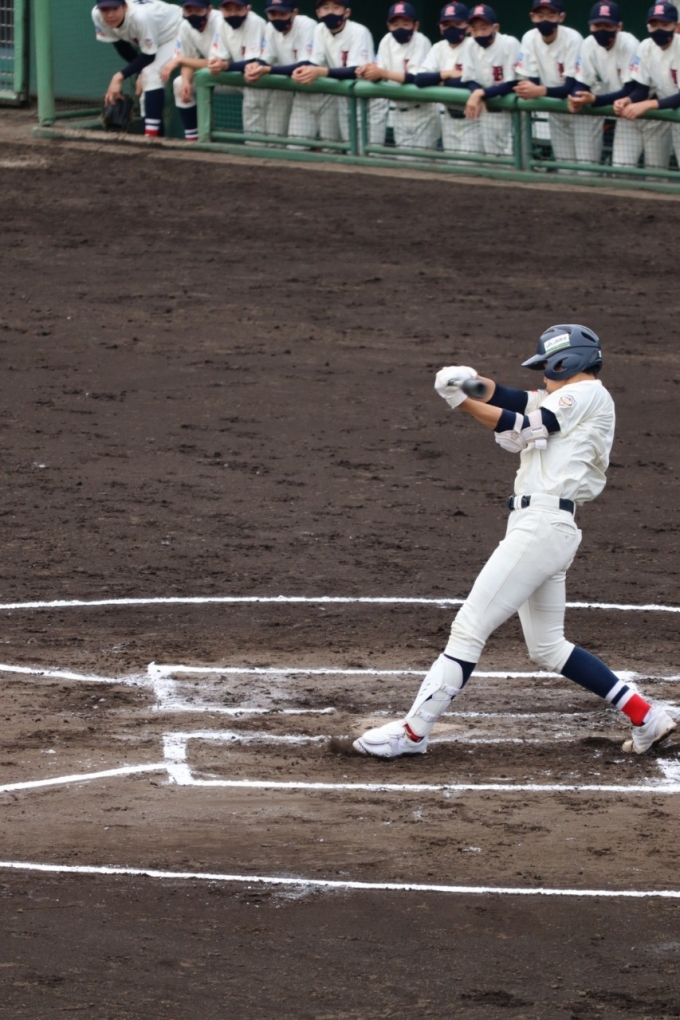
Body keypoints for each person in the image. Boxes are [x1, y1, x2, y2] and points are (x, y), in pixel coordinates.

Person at [354, 324, 676, 760]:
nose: (542, 374)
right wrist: (468, 383)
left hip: (541, 526)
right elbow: (509, 397)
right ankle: (646, 716)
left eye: (546, 366)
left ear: (566, 362)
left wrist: (461, 403)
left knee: (469, 627)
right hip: (546, 526)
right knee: (548, 647)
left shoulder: (584, 394)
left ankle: (412, 733)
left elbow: (521, 422)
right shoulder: (566, 398)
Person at [514, 1, 601, 166]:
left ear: (561, 17)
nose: (545, 20)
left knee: (587, 167)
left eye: (551, 15)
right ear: (532, 17)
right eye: (540, 15)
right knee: (564, 166)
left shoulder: (573, 38)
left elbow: (571, 87)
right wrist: (530, 89)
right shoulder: (529, 38)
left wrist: (539, 91)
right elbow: (531, 80)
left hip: (583, 109)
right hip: (555, 108)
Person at [354, 3, 439, 152]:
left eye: (405, 24)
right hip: (399, 112)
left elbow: (415, 78)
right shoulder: (387, 40)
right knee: (403, 161)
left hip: (423, 111)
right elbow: (380, 72)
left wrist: (382, 73)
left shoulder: (421, 41)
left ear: (415, 25)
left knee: (421, 161)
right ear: (389, 25)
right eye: (395, 24)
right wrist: (366, 71)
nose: (400, 28)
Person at [92, 0, 183, 138]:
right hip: (156, 35)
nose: (109, 15)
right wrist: (139, 72)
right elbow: (122, 47)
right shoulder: (97, 15)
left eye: (114, 9)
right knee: (146, 82)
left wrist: (119, 77)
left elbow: (149, 56)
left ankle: (151, 137)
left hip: (176, 31)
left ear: (124, 6)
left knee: (150, 73)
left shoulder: (140, 16)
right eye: (105, 10)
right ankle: (156, 137)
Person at [566, 3, 641, 168]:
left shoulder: (629, 44)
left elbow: (631, 89)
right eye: (597, 25)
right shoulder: (588, 44)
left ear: (619, 27)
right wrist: (576, 98)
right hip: (616, 108)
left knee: (649, 169)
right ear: (590, 26)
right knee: (616, 167)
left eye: (607, 25)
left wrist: (594, 100)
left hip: (639, 109)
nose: (601, 30)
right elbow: (581, 82)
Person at [614, 2, 680, 169]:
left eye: (665, 24)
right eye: (654, 24)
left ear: (676, 26)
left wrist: (649, 104)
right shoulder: (645, 47)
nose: (659, 29)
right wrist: (628, 100)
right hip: (674, 115)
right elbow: (642, 89)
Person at [410, 3, 479, 154]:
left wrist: (438, 82)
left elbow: (473, 83)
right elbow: (419, 79)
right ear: (441, 28)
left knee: (470, 165)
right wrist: (445, 74)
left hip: (473, 119)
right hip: (448, 117)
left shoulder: (475, 46)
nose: (451, 28)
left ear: (468, 27)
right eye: (446, 24)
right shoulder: (438, 48)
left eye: (457, 24)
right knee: (451, 163)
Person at [242, 0, 317, 140]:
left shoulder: (307, 25)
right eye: (272, 13)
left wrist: (267, 69)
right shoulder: (270, 27)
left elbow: (305, 65)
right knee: (289, 142)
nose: (277, 18)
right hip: (297, 91)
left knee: (334, 143)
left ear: (294, 13)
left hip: (321, 90)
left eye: (282, 13)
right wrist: (255, 66)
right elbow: (266, 58)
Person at [460, 4, 520, 156]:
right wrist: (477, 92)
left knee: (515, 160)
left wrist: (480, 93)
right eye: (474, 29)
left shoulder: (509, 43)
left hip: (511, 113)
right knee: (492, 161)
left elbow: (512, 83)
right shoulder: (470, 45)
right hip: (486, 112)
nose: (479, 33)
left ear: (496, 27)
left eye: (484, 28)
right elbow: (469, 79)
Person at [160, 1, 223, 142]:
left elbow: (216, 64)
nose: (193, 15)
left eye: (198, 10)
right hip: (217, 77)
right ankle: (192, 140)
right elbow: (188, 59)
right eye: (188, 10)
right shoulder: (185, 26)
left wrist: (179, 60)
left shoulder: (220, 22)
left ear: (209, 10)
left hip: (243, 77)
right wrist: (186, 81)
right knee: (179, 84)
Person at [208, 0, 269, 136]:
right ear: (221, 9)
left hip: (267, 84)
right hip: (243, 80)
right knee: (191, 83)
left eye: (238, 9)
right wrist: (216, 64)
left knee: (275, 135)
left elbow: (253, 62)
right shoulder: (222, 23)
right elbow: (218, 56)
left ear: (248, 8)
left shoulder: (255, 22)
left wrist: (225, 65)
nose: (233, 14)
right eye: (228, 9)